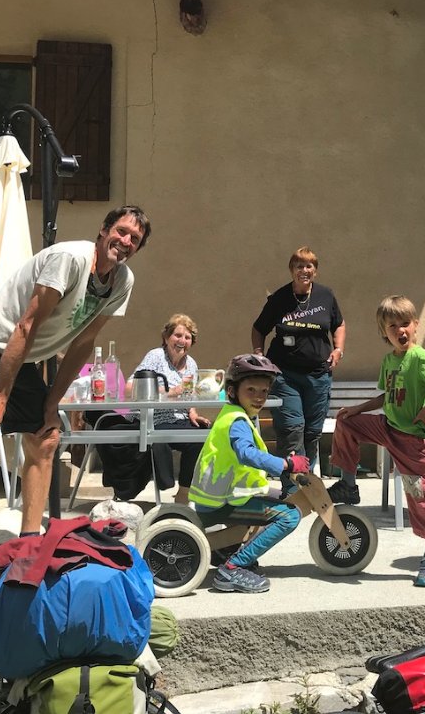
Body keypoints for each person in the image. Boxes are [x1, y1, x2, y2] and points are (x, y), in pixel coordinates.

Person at [0, 205, 150, 611]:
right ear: (104, 230)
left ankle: (29, 549)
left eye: (134, 239)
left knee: (46, 437)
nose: (125, 242)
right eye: (121, 231)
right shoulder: (68, 259)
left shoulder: (121, 282)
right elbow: (26, 326)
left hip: (20, 356)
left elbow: (83, 343)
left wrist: (52, 404)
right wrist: (0, 397)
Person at [326, 296, 425, 588]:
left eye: (405, 324)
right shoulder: (389, 360)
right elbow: (387, 396)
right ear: (383, 332)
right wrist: (358, 409)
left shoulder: (420, 357)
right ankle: (348, 484)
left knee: (421, 497)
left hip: (414, 442)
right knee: (345, 422)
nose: (400, 330)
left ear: (415, 325)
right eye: (393, 326)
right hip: (388, 427)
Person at [189, 354, 310, 594]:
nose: (258, 397)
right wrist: (286, 464)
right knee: (289, 516)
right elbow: (246, 453)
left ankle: (230, 552)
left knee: (278, 497)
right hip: (222, 503)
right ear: (233, 391)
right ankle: (232, 567)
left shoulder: (232, 414)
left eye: (264, 391)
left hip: (219, 497)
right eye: (251, 390)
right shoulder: (238, 421)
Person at [251, 247, 346, 491]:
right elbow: (259, 328)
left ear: (315, 270)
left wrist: (338, 349)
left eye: (309, 266)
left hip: (318, 374)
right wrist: (260, 356)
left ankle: (307, 486)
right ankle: (292, 489)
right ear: (292, 269)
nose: (304, 270)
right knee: (292, 429)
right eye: (299, 266)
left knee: (312, 432)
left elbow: (339, 324)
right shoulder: (280, 299)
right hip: (285, 375)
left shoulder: (326, 296)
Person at [96, 313, 211, 505]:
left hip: (179, 420)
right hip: (152, 419)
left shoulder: (191, 364)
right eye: (178, 335)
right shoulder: (156, 356)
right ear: (166, 338)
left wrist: (193, 413)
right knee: (196, 438)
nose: (182, 341)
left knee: (207, 434)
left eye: (188, 337)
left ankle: (184, 491)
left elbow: (189, 396)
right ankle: (180, 492)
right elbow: (130, 388)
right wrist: (170, 392)